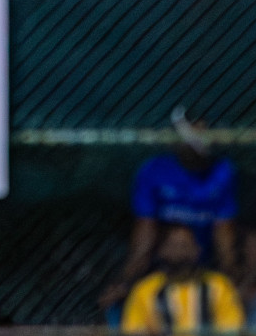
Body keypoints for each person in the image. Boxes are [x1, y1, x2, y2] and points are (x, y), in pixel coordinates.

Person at [101, 109, 240, 306]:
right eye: (190, 136)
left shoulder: (223, 171)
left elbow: (224, 235)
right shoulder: (153, 170)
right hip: (160, 264)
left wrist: (232, 278)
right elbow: (145, 235)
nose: (197, 143)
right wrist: (126, 280)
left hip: (203, 263)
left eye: (202, 134)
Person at [121, 226, 246, 336]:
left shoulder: (219, 286)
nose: (179, 251)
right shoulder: (145, 290)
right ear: (161, 251)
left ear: (197, 250)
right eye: (173, 245)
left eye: (185, 245)